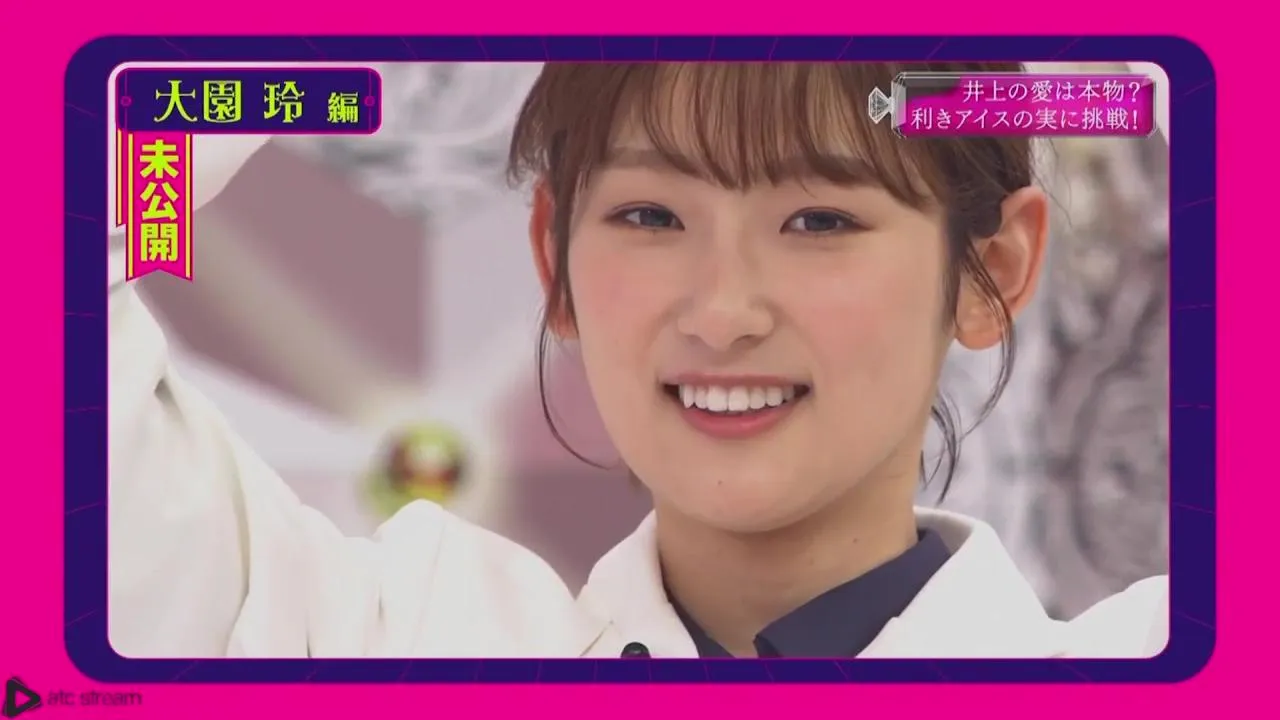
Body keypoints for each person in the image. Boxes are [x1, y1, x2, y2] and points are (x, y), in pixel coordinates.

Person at [108, 62, 1168, 660]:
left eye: (818, 220)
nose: (722, 312)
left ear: (991, 273)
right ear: (553, 260)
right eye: (650, 215)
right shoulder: (385, 644)